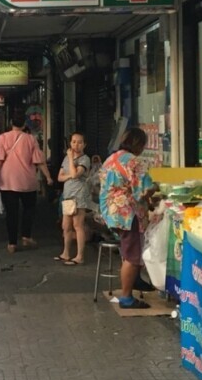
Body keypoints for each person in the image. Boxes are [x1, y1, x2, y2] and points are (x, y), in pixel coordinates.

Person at [98, 128, 156, 309]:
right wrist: (155, 192)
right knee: (132, 255)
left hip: (110, 211)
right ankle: (126, 297)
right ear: (138, 144)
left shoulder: (111, 158)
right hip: (127, 215)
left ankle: (135, 281)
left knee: (129, 250)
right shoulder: (134, 161)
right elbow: (144, 190)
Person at [0, 108, 53, 253]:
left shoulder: (3, 138)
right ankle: (26, 236)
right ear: (25, 124)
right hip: (27, 182)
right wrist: (48, 177)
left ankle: (12, 243)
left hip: (8, 182)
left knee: (11, 213)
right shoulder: (30, 139)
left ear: (11, 122)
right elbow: (39, 161)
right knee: (29, 210)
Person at [56, 133, 92, 265]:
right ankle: (66, 253)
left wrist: (71, 160)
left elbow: (76, 175)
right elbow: (59, 177)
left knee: (78, 225)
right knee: (66, 226)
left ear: (85, 145)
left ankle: (79, 256)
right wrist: (70, 174)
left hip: (79, 195)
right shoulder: (66, 158)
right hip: (68, 195)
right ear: (70, 143)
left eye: (80, 142)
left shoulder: (85, 159)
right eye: (74, 142)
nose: (76, 145)